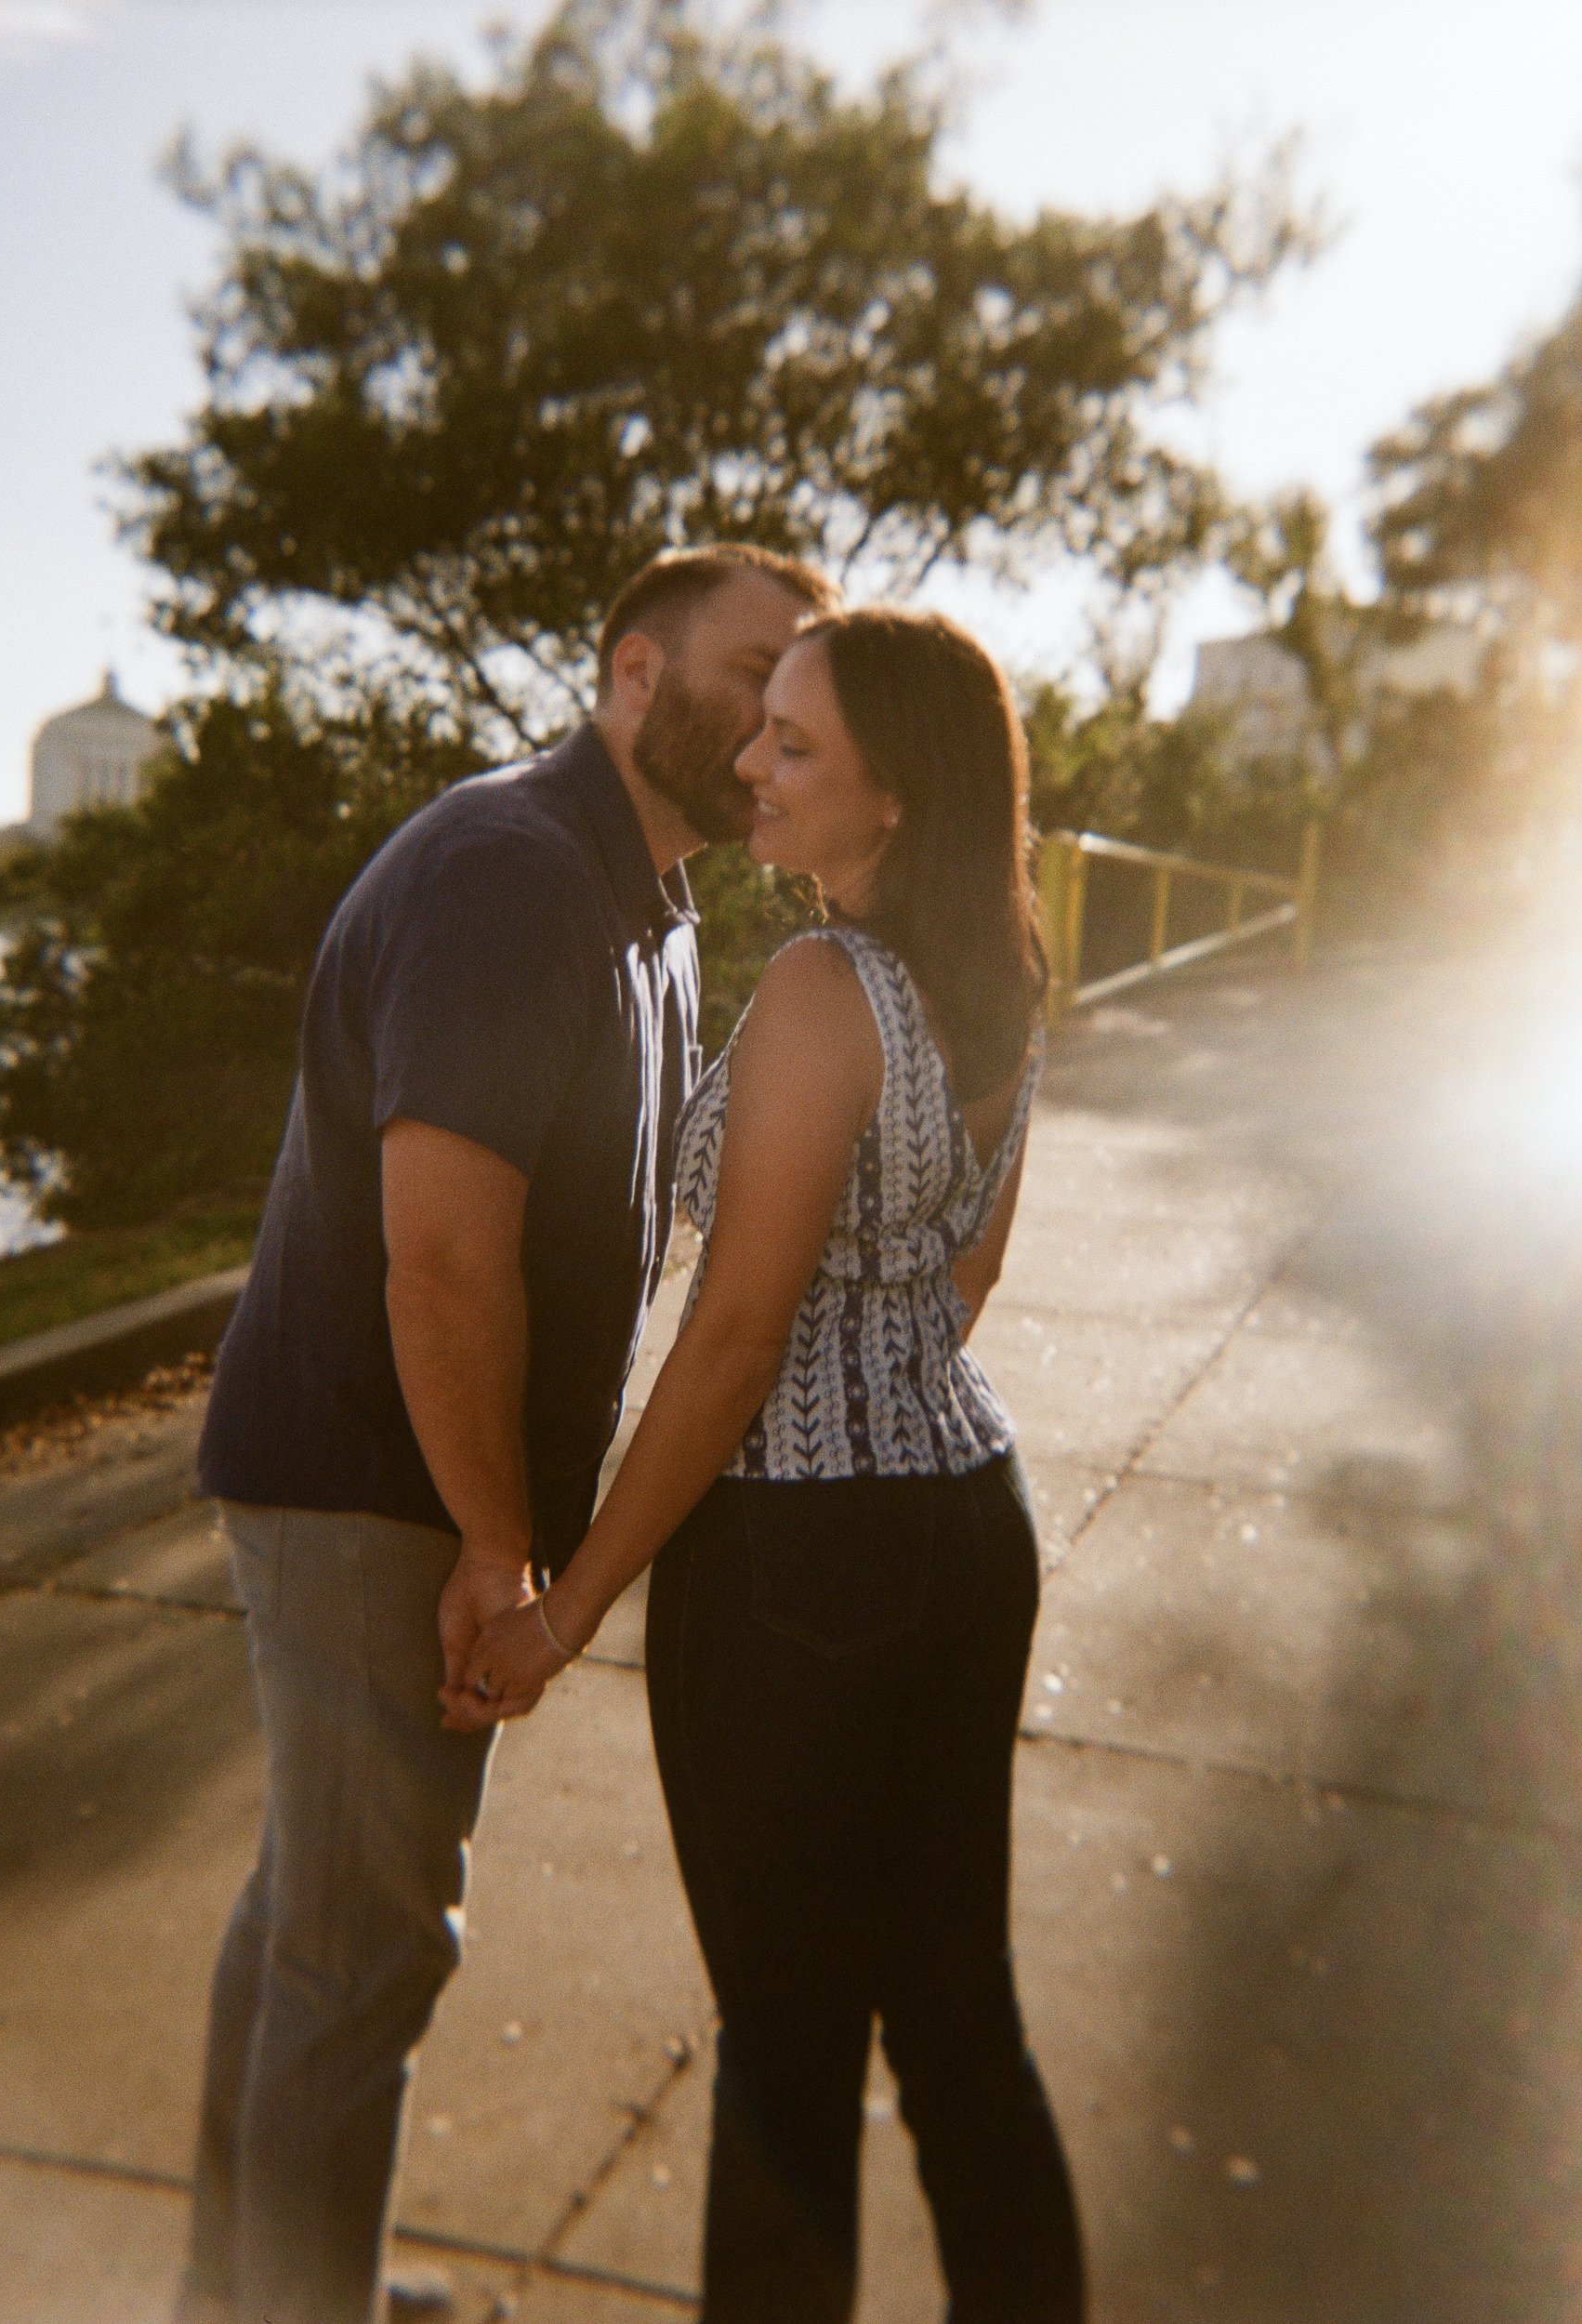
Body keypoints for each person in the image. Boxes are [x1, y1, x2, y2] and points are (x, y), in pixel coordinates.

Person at [179, 543, 840, 2324]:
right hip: (374, 1491)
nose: (778, 716)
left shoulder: (653, 897)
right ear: (635, 674)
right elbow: (445, 1259)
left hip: (411, 1483)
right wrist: (496, 1540)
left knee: (317, 1914)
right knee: (367, 1948)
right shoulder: (511, 874)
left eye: (801, 687)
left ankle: (252, 2293)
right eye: (754, 669)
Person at [452, 606, 1088, 2322]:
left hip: (801, 1570)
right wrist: (883, 1396)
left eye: (794, 744)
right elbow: (969, 1271)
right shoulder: (1005, 982)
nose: (750, 763)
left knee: (788, 2051)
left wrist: (565, 1608)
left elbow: (734, 1342)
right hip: (970, 1515)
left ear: (899, 793)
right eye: (761, 729)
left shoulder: (824, 989)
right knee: (960, 2022)